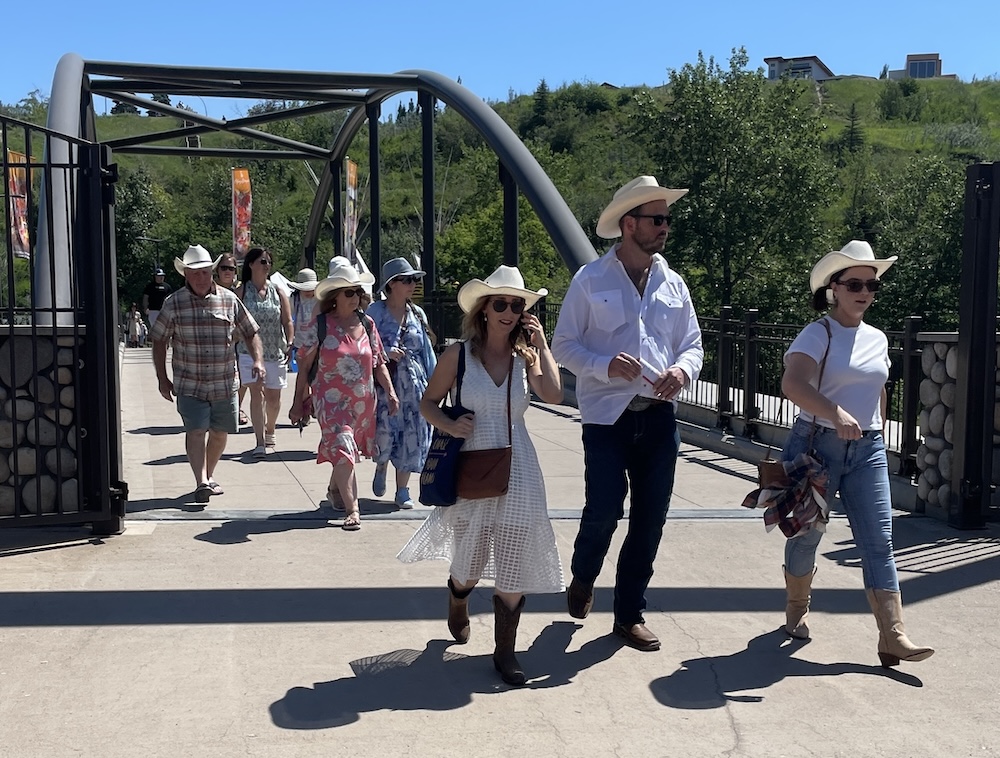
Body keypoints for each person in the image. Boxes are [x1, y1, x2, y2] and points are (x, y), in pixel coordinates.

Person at [551, 176, 703, 652]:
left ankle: (629, 613)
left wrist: (682, 372)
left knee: (650, 517)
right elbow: (563, 346)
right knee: (603, 510)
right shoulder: (590, 279)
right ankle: (583, 575)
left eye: (667, 220)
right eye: (657, 219)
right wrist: (603, 365)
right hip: (607, 417)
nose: (665, 228)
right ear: (629, 223)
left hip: (659, 415)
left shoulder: (673, 283)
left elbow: (693, 346)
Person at [397, 265, 564, 686]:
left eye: (517, 305)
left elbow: (554, 395)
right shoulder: (458, 355)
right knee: (469, 562)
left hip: (518, 464)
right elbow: (428, 403)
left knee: (514, 556)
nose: (509, 311)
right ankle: (458, 596)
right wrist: (449, 426)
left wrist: (542, 346)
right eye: (501, 303)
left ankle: (504, 651)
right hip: (471, 463)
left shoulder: (525, 357)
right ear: (485, 310)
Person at [778, 240, 934, 668]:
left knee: (879, 541)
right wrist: (834, 411)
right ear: (834, 288)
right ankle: (796, 608)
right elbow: (793, 385)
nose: (864, 291)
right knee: (807, 536)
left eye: (871, 284)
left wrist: (877, 430)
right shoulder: (817, 333)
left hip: (867, 450)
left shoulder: (878, 338)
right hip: (819, 448)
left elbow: (877, 388)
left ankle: (893, 635)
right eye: (854, 284)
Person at [288, 261, 399, 531]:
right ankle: (353, 509)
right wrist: (296, 402)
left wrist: (391, 393)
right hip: (329, 401)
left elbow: (379, 362)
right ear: (335, 296)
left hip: (363, 402)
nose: (355, 297)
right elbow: (303, 366)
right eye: (349, 292)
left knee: (342, 453)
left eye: (358, 292)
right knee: (344, 448)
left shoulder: (367, 323)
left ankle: (335, 490)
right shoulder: (321, 325)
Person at [150, 244, 264, 503]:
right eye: (194, 273)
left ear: (211, 272)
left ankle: (208, 475)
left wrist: (258, 360)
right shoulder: (174, 302)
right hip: (190, 382)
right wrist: (162, 378)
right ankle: (201, 481)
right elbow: (159, 340)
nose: (200, 278)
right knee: (196, 430)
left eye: (204, 272)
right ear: (185, 275)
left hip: (224, 382)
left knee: (220, 433)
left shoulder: (228, 299)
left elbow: (250, 330)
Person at [367, 257, 437, 509]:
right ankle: (381, 464)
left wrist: (437, 385)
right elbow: (364, 347)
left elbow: (427, 352)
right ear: (392, 284)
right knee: (385, 434)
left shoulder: (417, 313)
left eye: (414, 280)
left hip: (415, 388)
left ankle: (402, 490)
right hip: (385, 386)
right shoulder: (375, 312)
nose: (412, 285)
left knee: (412, 438)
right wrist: (386, 351)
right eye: (407, 280)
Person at [236, 247, 293, 457]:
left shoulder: (278, 291)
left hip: (274, 350)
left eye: (268, 262)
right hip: (248, 352)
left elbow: (287, 320)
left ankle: (270, 429)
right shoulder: (242, 291)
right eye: (262, 261)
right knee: (256, 394)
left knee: (273, 399)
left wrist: (291, 341)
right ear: (251, 264)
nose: (266, 265)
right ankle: (259, 441)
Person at [214, 253, 249, 427]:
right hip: (216, 341)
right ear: (217, 270)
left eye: (232, 268)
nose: (228, 271)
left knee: (242, 377)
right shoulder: (210, 288)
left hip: (238, 340)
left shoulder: (240, 290)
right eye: (224, 268)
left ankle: (238, 407)